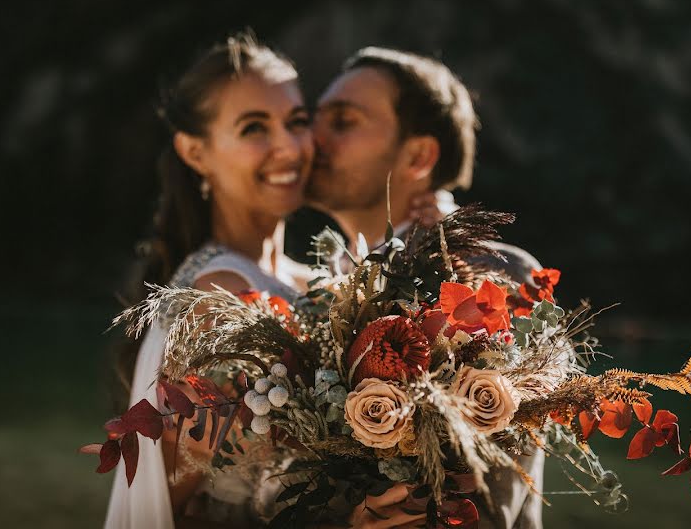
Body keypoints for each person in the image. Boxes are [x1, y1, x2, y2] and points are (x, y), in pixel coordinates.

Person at [105, 34, 437, 529]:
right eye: (254, 128)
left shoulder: (315, 282)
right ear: (195, 152)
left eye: (296, 122)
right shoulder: (215, 303)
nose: (289, 147)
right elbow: (167, 513)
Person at [307, 47, 545, 528]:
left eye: (343, 121)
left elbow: (492, 496)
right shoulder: (323, 275)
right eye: (313, 119)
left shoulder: (492, 275)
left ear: (418, 154)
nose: (312, 138)